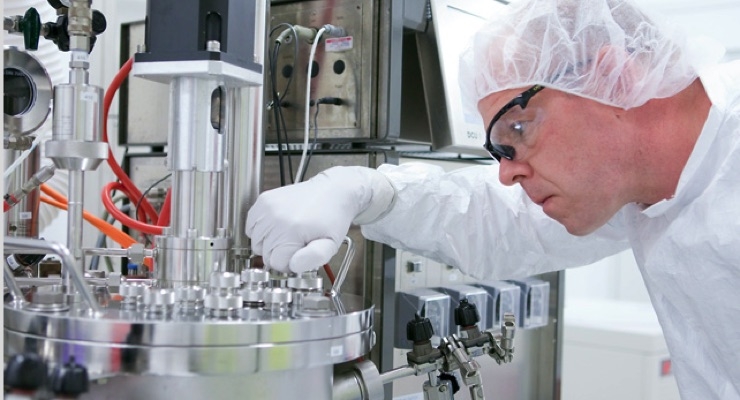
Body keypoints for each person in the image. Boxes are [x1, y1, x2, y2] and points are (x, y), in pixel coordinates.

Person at [246, 0, 740, 398]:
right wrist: (364, 191)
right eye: (499, 150)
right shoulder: (646, 185)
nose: (506, 174)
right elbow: (500, 221)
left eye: (518, 130)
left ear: (614, 78)